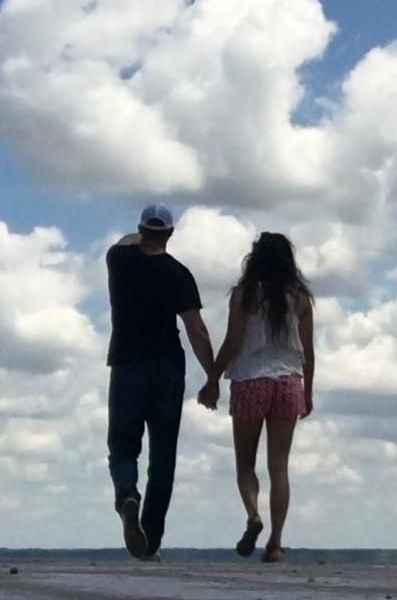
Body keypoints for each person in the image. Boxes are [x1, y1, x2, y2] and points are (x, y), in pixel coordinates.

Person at [105, 203, 216, 561]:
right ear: (169, 234)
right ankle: (149, 541)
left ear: (142, 230)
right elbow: (196, 329)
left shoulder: (119, 260)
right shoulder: (179, 274)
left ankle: (126, 497)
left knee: (123, 446)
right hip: (168, 368)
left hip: (126, 364)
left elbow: (127, 240)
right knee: (163, 459)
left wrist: (144, 236)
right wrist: (212, 376)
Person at [198, 232, 314, 563]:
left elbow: (233, 340)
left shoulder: (245, 294)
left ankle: (253, 515)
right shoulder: (301, 298)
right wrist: (308, 392)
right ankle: (275, 543)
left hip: (250, 381)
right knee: (279, 467)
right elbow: (309, 351)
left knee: (245, 465)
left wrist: (212, 379)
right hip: (289, 382)